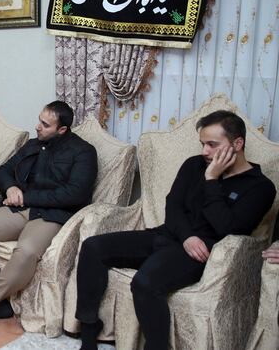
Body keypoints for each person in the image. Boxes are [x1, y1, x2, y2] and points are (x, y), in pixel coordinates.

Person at [74, 110, 275, 350]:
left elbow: (228, 228)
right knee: (93, 247)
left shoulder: (261, 187)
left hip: (200, 253)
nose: (205, 152)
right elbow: (174, 205)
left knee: (145, 282)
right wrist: (187, 235)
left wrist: (212, 180)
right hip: (168, 235)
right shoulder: (194, 165)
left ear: (238, 143)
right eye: (203, 144)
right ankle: (89, 328)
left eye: (212, 144)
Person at [0, 101, 97, 323]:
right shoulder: (34, 145)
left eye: (45, 125)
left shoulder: (83, 152)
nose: (38, 127)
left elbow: (75, 194)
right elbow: (3, 171)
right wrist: (11, 187)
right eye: (39, 120)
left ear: (62, 129)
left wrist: (26, 196)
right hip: (20, 208)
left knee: (26, 251)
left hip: (52, 215)